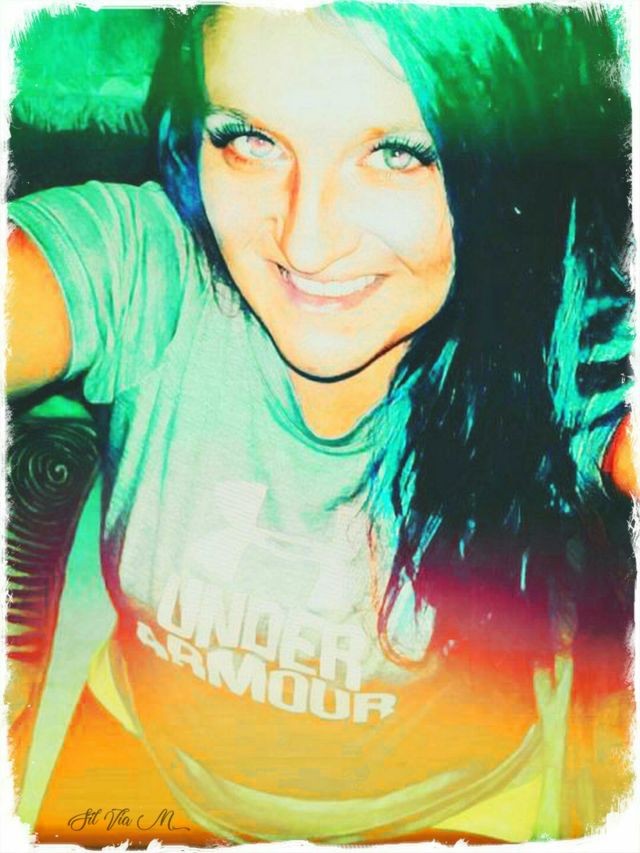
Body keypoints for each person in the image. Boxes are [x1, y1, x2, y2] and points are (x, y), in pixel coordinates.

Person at [6, 2, 635, 846]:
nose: (306, 244)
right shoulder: (149, 263)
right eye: (251, 140)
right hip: (146, 767)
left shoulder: (567, 338)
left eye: (398, 153)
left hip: (452, 813)